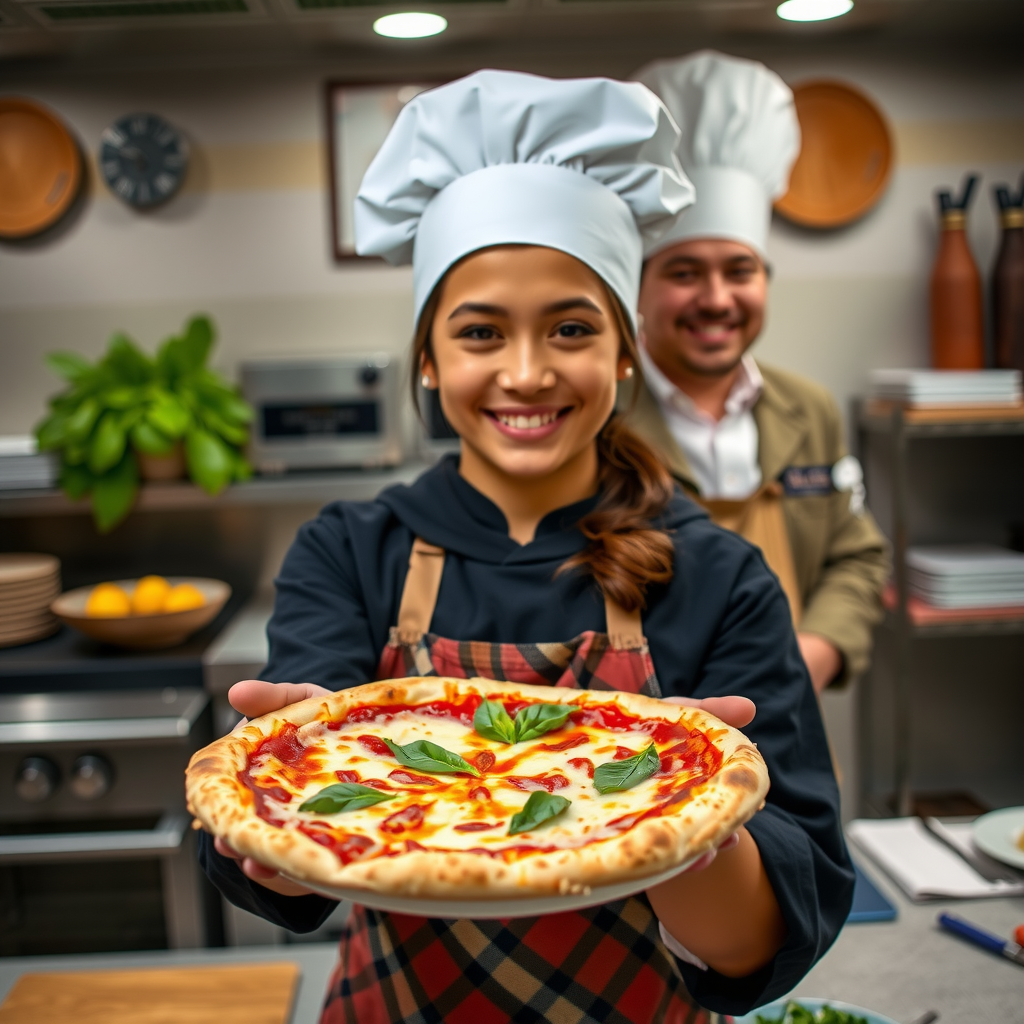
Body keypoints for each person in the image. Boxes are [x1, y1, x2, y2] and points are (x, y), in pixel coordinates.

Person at [197, 69, 853, 1024]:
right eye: (479, 332)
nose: (527, 370)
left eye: (573, 328)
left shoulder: (717, 573)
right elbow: (287, 875)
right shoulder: (350, 549)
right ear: (428, 357)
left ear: (625, 352)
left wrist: (692, 826)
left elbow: (769, 933)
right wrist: (274, 816)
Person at [627, 51, 890, 695]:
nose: (716, 298)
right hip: (641, 730)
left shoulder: (808, 409)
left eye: (739, 271)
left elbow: (855, 556)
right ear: (639, 286)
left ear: (765, 281)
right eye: (685, 272)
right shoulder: (597, 416)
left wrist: (814, 653)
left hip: (788, 708)